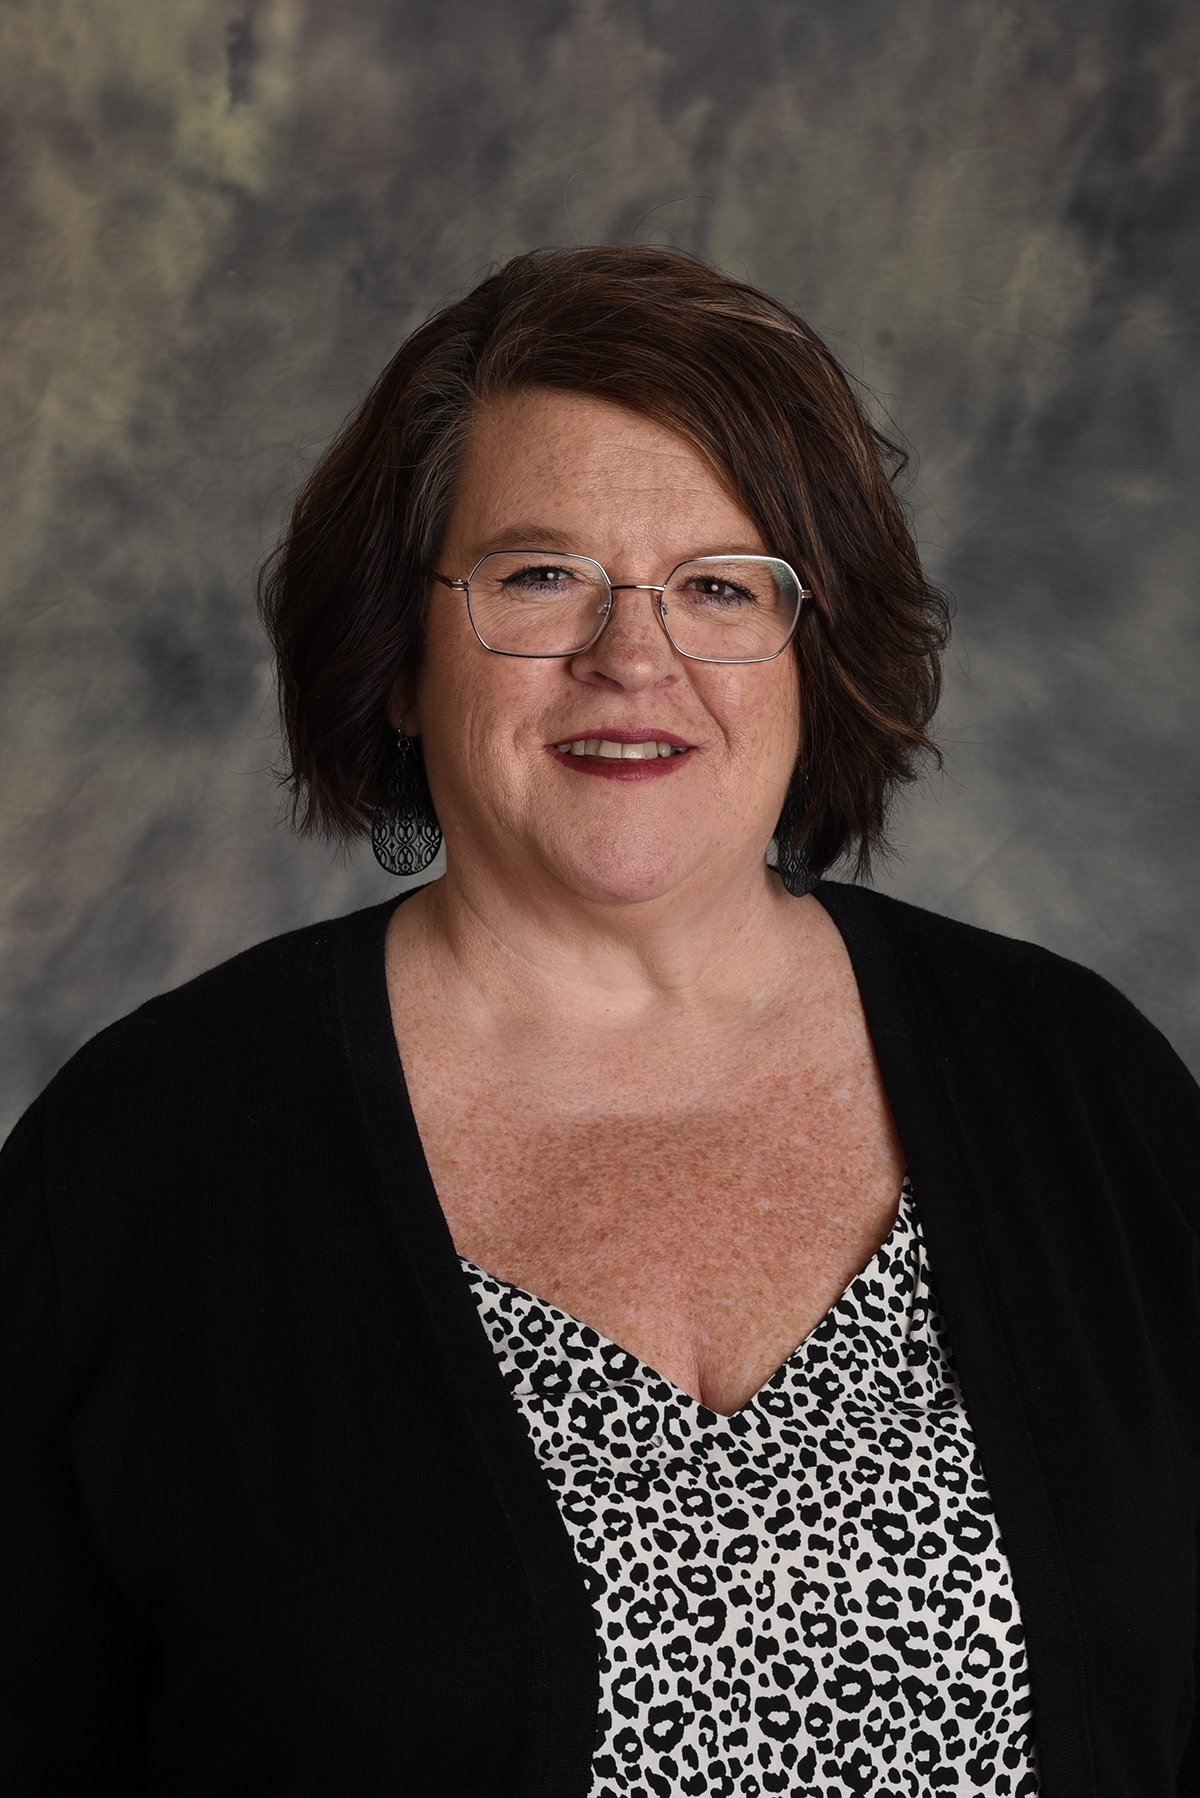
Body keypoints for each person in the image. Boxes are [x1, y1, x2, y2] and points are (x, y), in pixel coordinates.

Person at [1, 246, 1196, 1798]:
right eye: (538, 575)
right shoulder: (132, 1171)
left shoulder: (1082, 1089)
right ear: (405, 661)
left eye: (719, 585)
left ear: (812, 651)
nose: (634, 660)